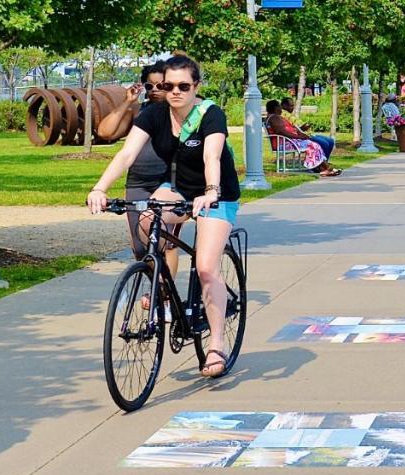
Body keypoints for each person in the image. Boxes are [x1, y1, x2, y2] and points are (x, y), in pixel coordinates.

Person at [87, 54, 240, 378]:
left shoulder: (210, 115)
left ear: (196, 86)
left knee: (206, 267)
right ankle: (164, 292)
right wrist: (99, 188)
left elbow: (212, 155)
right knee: (148, 218)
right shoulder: (155, 114)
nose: (175, 92)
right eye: (168, 86)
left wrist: (210, 190)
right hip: (179, 189)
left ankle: (216, 344)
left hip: (217, 194)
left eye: (183, 86)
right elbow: (126, 153)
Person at [124, 62, 182, 279]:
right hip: (138, 182)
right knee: (140, 248)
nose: (156, 90)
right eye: (150, 86)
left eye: (161, 85)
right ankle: (155, 287)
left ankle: (165, 299)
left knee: (164, 243)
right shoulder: (140, 111)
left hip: (167, 182)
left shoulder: (180, 111)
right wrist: (127, 104)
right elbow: (106, 131)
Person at [266, 100, 340, 176]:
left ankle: (323, 168)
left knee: (314, 145)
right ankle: (324, 168)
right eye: (279, 106)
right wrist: (298, 137)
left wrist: (299, 135)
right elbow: (281, 132)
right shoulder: (274, 117)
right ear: (275, 108)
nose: (281, 108)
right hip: (284, 144)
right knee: (313, 145)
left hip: (288, 142)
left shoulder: (274, 117)